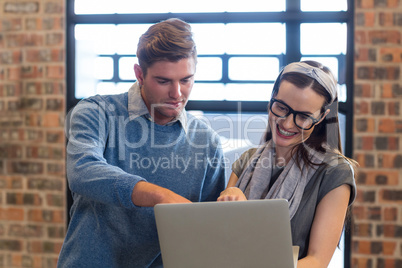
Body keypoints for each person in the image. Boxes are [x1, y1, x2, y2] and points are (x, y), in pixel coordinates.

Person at [58, 18, 226, 267]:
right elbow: (82, 170)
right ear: (139, 74)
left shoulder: (207, 142)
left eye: (186, 80)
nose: (177, 94)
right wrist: (160, 196)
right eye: (164, 81)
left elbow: (210, 230)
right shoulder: (96, 112)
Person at [218, 61, 357, 268]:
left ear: (322, 117)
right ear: (272, 98)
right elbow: (222, 243)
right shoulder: (247, 160)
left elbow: (317, 261)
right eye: (281, 107)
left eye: (303, 116)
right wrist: (229, 195)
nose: (287, 123)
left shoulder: (335, 172)